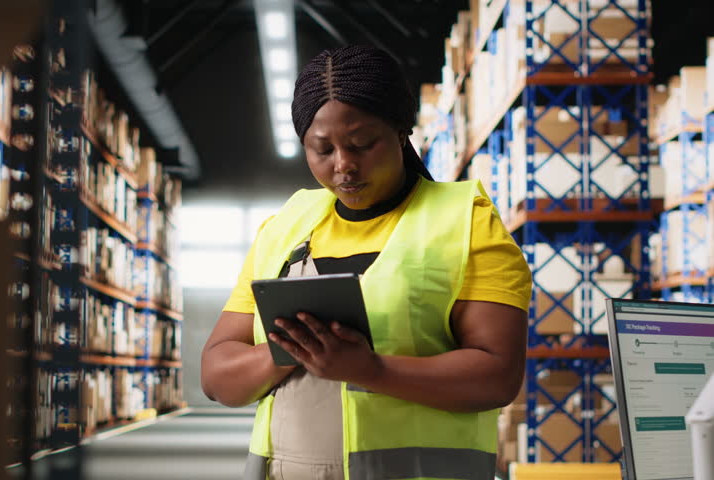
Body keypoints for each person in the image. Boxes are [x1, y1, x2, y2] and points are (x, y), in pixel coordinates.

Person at [201, 44, 532, 480]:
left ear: (400, 132)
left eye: (362, 144)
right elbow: (216, 375)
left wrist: (369, 369)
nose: (344, 166)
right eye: (323, 149)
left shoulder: (465, 221)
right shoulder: (283, 228)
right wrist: (292, 352)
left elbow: (498, 376)